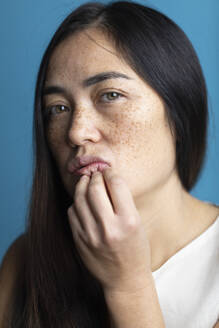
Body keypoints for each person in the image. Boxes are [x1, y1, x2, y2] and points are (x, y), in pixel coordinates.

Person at [0, 1, 218, 327]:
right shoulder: (26, 261)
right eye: (58, 108)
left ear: (179, 113)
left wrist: (127, 288)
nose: (75, 132)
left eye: (110, 95)